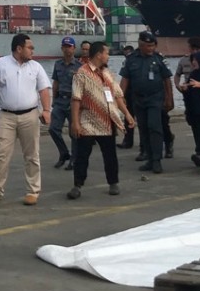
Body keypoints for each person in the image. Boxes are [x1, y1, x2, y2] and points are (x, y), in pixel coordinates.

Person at [0, 34, 52, 206]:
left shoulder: (36, 67)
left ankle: (33, 191)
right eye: (30, 47)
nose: (33, 50)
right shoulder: (0, 64)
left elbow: (44, 90)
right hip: (6, 116)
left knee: (32, 155)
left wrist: (47, 110)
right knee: (0, 154)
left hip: (30, 115)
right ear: (19, 49)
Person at [67, 41, 135, 200]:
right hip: (88, 122)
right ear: (99, 54)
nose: (108, 56)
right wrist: (75, 122)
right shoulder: (81, 73)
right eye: (106, 53)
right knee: (82, 155)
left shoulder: (108, 74)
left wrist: (128, 114)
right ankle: (77, 185)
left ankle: (113, 182)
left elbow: (118, 97)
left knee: (110, 155)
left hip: (106, 122)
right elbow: (76, 99)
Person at [119, 31, 173, 173]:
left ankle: (156, 160)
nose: (151, 49)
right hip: (138, 99)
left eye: (152, 46)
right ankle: (149, 158)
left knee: (154, 127)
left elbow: (167, 79)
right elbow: (125, 79)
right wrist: (120, 97)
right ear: (140, 45)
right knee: (143, 129)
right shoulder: (131, 59)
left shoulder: (159, 58)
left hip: (155, 98)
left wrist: (169, 98)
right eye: (148, 46)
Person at [49, 37, 81, 170]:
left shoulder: (79, 67)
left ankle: (74, 158)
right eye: (65, 46)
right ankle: (64, 153)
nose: (67, 49)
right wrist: (53, 99)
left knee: (74, 132)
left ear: (74, 48)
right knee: (53, 129)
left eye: (69, 46)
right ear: (62, 48)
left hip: (73, 101)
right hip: (60, 100)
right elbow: (55, 82)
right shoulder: (58, 64)